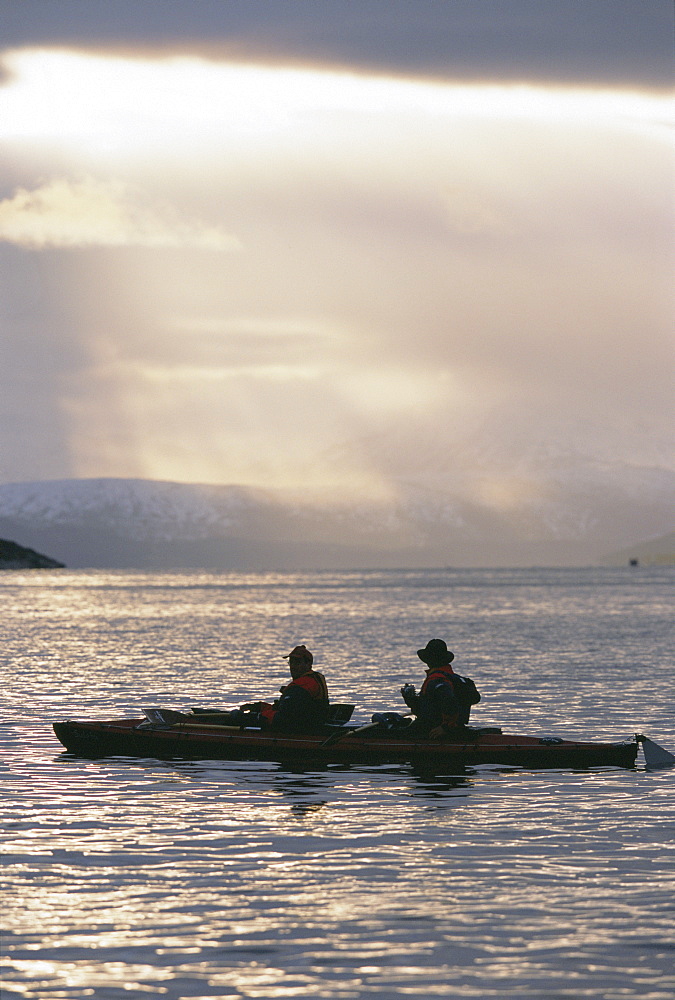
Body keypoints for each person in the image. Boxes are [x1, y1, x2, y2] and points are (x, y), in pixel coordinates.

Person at [401, 638, 480, 736]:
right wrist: (410, 699)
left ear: (428, 660)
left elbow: (449, 701)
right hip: (454, 728)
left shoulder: (436, 680)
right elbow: (427, 710)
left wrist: (445, 727)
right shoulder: (453, 678)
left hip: (435, 731)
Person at [256, 645, 330, 733]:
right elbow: (286, 709)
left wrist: (259, 716)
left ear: (308, 664)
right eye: (291, 662)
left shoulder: (302, 686)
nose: (293, 667)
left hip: (299, 731)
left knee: (237, 716)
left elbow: (283, 718)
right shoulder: (313, 680)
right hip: (309, 726)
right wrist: (260, 707)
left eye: (297, 662)